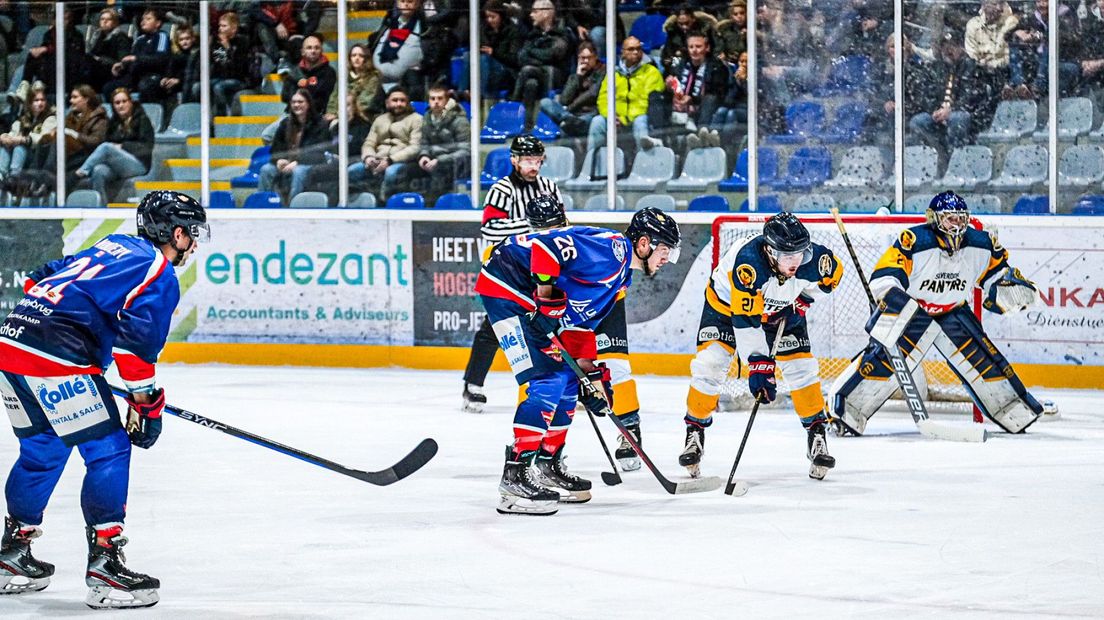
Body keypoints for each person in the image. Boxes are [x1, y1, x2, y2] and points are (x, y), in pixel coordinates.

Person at [0, 190, 208, 609]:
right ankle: (106, 567)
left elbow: (38, 278)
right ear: (177, 233)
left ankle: (11, 556)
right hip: (58, 356)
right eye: (193, 233)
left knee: (42, 451)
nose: (196, 243)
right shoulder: (159, 273)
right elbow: (134, 352)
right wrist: (147, 404)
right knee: (109, 451)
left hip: (11, 342)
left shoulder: (113, 245)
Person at [475, 204, 681, 515]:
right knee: (548, 379)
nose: (668, 259)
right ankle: (514, 475)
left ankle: (547, 462)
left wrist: (591, 378)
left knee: (570, 381)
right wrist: (545, 299)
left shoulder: (620, 278)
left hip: (525, 294)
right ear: (643, 244)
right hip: (506, 286)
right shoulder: (611, 251)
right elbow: (545, 246)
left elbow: (580, 326)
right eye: (665, 249)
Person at [829, 191, 1046, 437]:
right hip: (914, 313)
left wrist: (1006, 288)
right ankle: (845, 410)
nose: (957, 225)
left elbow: (995, 273)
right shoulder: (915, 240)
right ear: (934, 219)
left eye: (961, 219)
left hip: (952, 310)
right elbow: (885, 275)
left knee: (984, 360)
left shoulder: (980, 243)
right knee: (882, 362)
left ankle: (1013, 410)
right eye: (949, 219)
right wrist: (892, 300)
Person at [680, 212, 844, 481]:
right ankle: (694, 431)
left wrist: (804, 297)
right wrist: (759, 368)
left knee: (802, 368)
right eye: (787, 256)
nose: (795, 262)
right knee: (709, 365)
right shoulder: (749, 265)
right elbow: (746, 321)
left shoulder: (813, 259)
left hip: (781, 310)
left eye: (800, 254)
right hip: (724, 309)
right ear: (769, 251)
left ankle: (817, 434)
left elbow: (833, 276)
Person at [461, 135, 564, 413]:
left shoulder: (549, 187)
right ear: (514, 160)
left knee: (552, 321)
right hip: (508, 267)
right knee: (494, 327)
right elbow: (490, 228)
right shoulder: (502, 189)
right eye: (528, 160)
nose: (534, 166)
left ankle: (561, 384)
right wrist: (530, 225)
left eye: (538, 160)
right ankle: (473, 384)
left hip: (542, 264)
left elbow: (562, 224)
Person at [587, 35, 666, 153]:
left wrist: (627, 118)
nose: (635, 52)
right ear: (623, 53)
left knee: (641, 122)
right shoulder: (613, 74)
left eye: (638, 49)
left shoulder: (651, 72)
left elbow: (651, 103)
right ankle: (592, 165)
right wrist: (611, 116)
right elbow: (603, 98)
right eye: (631, 49)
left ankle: (644, 164)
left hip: (638, 118)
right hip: (616, 118)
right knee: (597, 122)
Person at [74, 88, 155, 201]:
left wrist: (123, 146)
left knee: (106, 147)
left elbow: (146, 148)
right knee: (98, 170)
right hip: (118, 166)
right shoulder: (113, 123)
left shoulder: (142, 120)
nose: (121, 105)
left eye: (124, 101)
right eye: (117, 103)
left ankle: (81, 172)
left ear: (131, 102)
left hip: (139, 164)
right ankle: (100, 210)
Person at [350, 86, 423, 202]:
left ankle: (385, 204)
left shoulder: (417, 119)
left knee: (391, 172)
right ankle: (362, 203)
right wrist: (369, 157)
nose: (399, 104)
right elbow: (369, 143)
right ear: (387, 102)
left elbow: (415, 147)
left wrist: (390, 160)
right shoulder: (380, 120)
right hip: (377, 159)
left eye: (402, 100)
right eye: (395, 100)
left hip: (401, 161)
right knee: (352, 171)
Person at [260, 88, 330, 203]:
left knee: (299, 171)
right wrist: (279, 160)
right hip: (287, 163)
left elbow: (319, 153)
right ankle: (263, 205)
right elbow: (275, 150)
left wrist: (297, 162)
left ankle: (294, 207)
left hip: (308, 164)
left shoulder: (320, 125)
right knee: (266, 170)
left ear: (308, 104)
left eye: (300, 102)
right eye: (294, 102)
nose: (296, 105)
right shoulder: (285, 124)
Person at [410, 84, 470, 206]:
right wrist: (423, 156)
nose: (436, 102)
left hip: (455, 165)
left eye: (440, 98)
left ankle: (432, 210)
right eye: (432, 99)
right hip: (432, 161)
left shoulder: (460, 120)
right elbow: (424, 143)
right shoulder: (427, 118)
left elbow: (466, 149)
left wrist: (439, 160)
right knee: (404, 171)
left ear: (447, 100)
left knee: (438, 173)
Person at [539, 41, 604, 138]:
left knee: (567, 126)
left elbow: (592, 94)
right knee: (544, 102)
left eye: (588, 58)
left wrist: (569, 108)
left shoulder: (604, 71)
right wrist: (578, 76)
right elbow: (564, 100)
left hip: (591, 113)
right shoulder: (576, 74)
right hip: (572, 114)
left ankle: (569, 121)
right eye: (582, 58)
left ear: (595, 57)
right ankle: (569, 120)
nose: (585, 61)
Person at [0, 83, 55, 184]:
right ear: (29, 103)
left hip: (37, 156)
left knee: (20, 147)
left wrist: (24, 139)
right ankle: (1, 175)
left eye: (42, 100)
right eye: (36, 100)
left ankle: (14, 176)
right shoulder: (24, 118)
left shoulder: (50, 118)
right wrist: (5, 137)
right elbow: (13, 133)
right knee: (5, 146)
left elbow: (44, 138)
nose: (40, 103)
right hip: (23, 155)